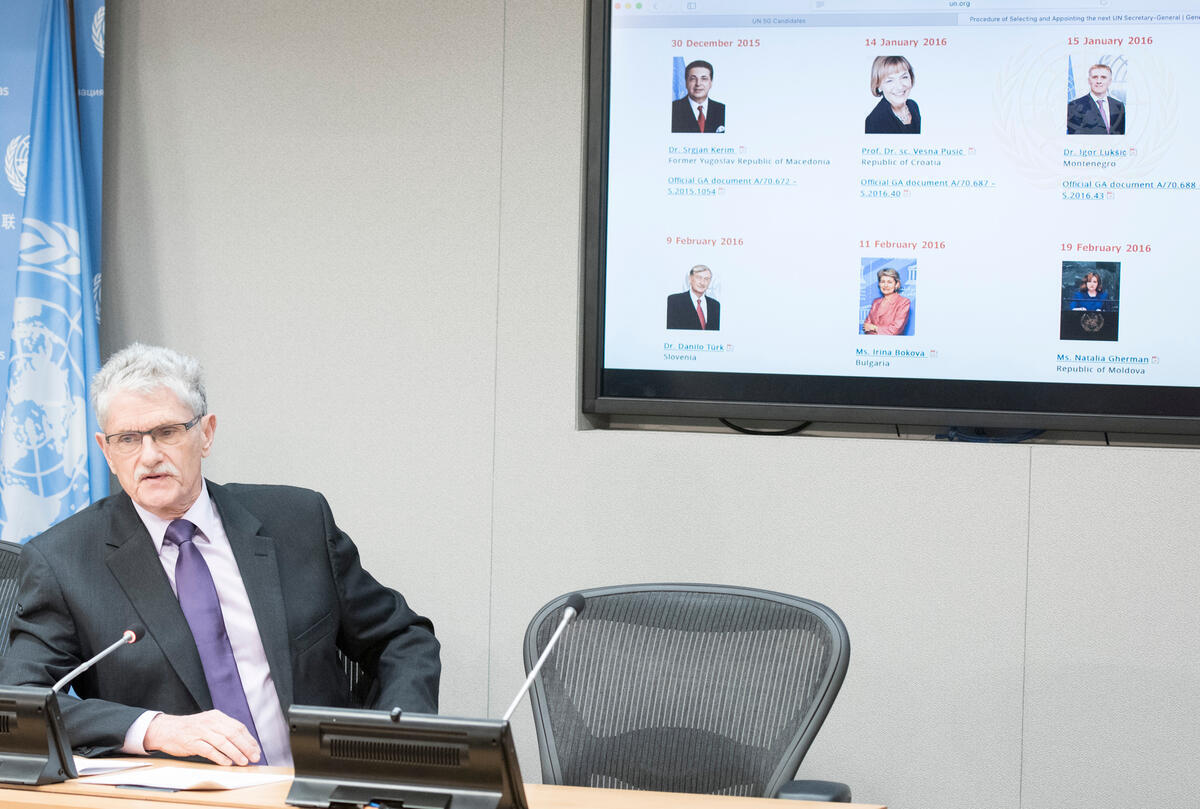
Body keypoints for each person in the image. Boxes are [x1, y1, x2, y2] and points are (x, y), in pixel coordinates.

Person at [0, 344, 440, 768]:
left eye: (167, 432)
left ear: (206, 434)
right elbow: (20, 702)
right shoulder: (65, 562)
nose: (150, 456)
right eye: (128, 439)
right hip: (175, 800)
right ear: (107, 452)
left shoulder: (299, 523)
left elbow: (402, 638)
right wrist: (154, 729)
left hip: (313, 789)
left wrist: (390, 747)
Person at [865, 56, 920, 134]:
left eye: (904, 77)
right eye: (889, 81)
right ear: (878, 85)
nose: (899, 87)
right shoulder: (874, 121)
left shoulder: (913, 106)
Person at [1067, 64, 1125, 135]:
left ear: (1110, 81)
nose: (1099, 81)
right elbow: (1075, 138)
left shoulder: (1119, 106)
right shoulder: (1074, 106)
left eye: (1103, 77)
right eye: (1095, 77)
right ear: (1089, 81)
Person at [671, 60, 725, 134]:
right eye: (693, 79)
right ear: (686, 82)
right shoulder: (674, 109)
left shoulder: (722, 109)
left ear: (711, 83)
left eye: (704, 78)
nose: (698, 84)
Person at [666, 265, 721, 330]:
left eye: (706, 279)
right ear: (690, 279)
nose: (702, 283)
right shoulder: (674, 301)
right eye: (699, 278)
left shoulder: (715, 305)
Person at [862, 267, 911, 335]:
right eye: (882, 282)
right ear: (879, 284)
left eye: (889, 282)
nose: (885, 285)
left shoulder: (904, 302)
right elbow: (866, 327)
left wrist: (874, 328)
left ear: (897, 284)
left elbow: (895, 330)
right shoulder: (876, 302)